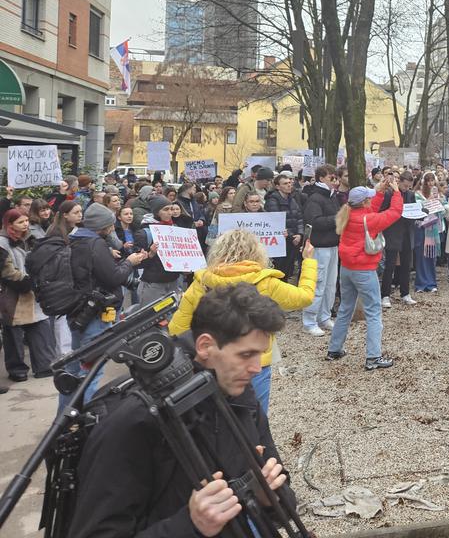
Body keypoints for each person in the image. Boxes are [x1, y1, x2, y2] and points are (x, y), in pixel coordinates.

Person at [69, 284, 295, 536]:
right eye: (246, 355)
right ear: (205, 346)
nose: (256, 368)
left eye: (261, 354)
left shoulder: (241, 396)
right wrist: (190, 525)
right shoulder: (135, 421)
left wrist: (268, 497)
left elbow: (283, 496)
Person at [168, 229, 317, 413]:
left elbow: (177, 329)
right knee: (255, 417)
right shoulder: (265, 282)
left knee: (217, 419)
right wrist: (308, 261)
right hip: (254, 364)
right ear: (257, 253)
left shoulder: (201, 283)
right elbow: (304, 297)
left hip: (213, 363)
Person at [57, 204, 149, 409]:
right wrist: (130, 263)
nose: (112, 226)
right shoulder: (94, 243)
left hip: (78, 312)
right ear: (103, 225)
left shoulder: (77, 239)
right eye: (110, 223)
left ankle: (63, 418)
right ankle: (85, 422)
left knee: (72, 371)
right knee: (91, 369)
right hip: (95, 314)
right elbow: (113, 277)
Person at [326, 182, 404, 369]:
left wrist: (380, 191)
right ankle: (373, 357)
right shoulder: (369, 219)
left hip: (347, 268)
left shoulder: (347, 214)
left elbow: (372, 209)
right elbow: (395, 213)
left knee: (345, 308)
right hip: (364, 269)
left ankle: (334, 349)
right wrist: (396, 192)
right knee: (373, 311)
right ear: (364, 202)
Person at [1, 209, 57, 382]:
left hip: (33, 295)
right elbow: (7, 272)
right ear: (10, 225)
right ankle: (17, 370)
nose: (25, 224)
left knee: (40, 330)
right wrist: (29, 282)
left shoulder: (30, 240)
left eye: (26, 221)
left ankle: (44, 366)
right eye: (20, 222)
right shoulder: (2, 244)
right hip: (13, 296)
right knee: (14, 337)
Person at [302, 165, 342, 336]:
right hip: (319, 246)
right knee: (318, 283)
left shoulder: (333, 197)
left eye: (335, 177)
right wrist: (337, 219)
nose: (335, 181)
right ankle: (309, 320)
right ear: (321, 179)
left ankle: (324, 315)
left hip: (333, 244)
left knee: (330, 284)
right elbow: (314, 222)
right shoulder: (315, 198)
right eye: (331, 178)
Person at [380, 172, 417, 307]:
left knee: (406, 265)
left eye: (409, 186)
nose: (406, 188)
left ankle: (405, 293)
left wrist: (421, 213)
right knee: (389, 265)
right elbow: (382, 211)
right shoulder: (390, 194)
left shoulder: (411, 195)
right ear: (399, 182)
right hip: (393, 232)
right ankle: (385, 295)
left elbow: (414, 211)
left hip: (407, 232)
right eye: (405, 185)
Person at [264, 173, 305, 280]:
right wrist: (292, 237)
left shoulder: (292, 199)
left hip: (293, 240)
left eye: (290, 183)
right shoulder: (272, 201)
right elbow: (277, 221)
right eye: (285, 183)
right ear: (277, 186)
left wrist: (300, 234)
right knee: (279, 271)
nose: (289, 185)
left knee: (288, 271)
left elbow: (299, 217)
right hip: (281, 242)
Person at [413, 172, 446, 293]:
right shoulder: (417, 195)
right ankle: (421, 283)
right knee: (422, 256)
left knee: (431, 256)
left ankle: (432, 283)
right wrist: (429, 202)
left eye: (433, 181)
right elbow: (417, 210)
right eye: (428, 181)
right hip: (421, 228)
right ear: (424, 182)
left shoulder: (439, 194)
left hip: (433, 229)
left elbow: (444, 211)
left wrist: (439, 204)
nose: (431, 183)